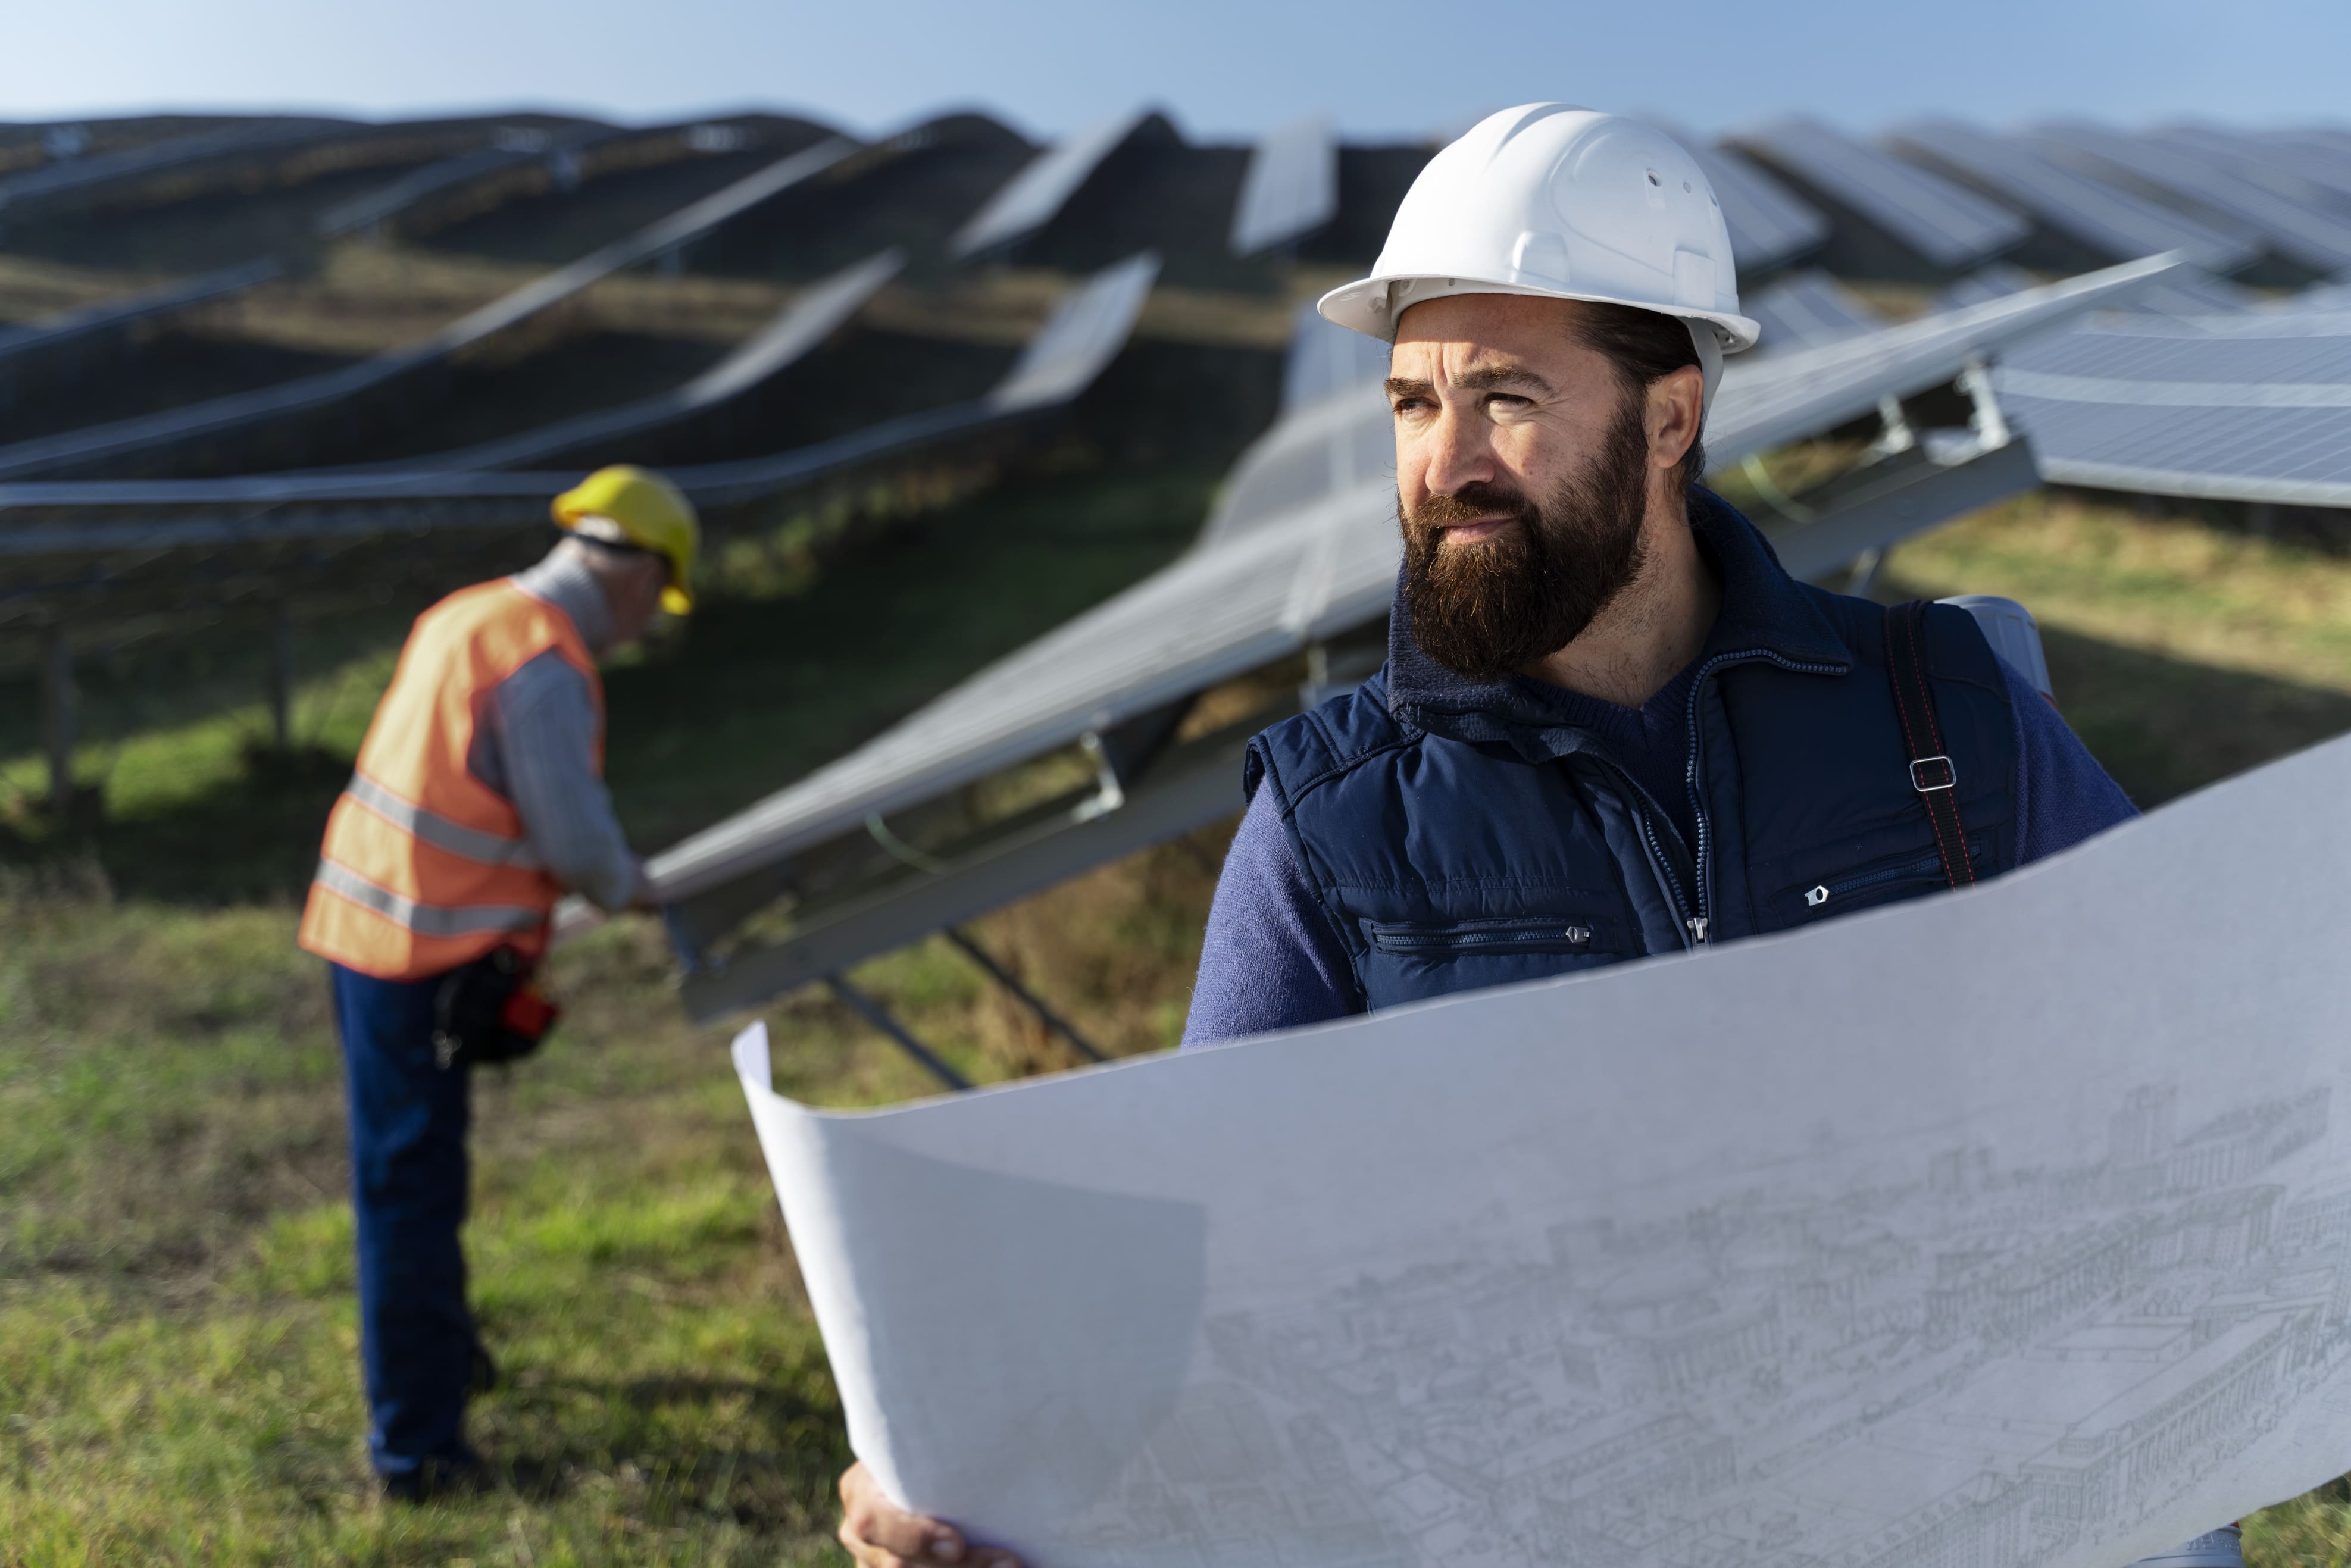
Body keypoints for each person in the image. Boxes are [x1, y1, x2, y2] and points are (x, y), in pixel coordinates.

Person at [836, 108, 2238, 1568]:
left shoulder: (1943, 713)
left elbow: (2196, 1046)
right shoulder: (1330, 821)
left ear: (1671, 418)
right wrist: (979, 1462)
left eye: (1505, 396)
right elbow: (1207, 1260)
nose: (1444, 464)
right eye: (1410, 404)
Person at [296, 464, 697, 1498]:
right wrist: (633, 889)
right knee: (413, 1194)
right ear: (641, 575)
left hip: (365, 929)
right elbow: (576, 848)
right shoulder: (546, 664)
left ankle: (440, 1362)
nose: (648, 627)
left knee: (414, 1178)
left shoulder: (467, 614)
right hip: (421, 958)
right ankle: (417, 1448)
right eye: (660, 604)